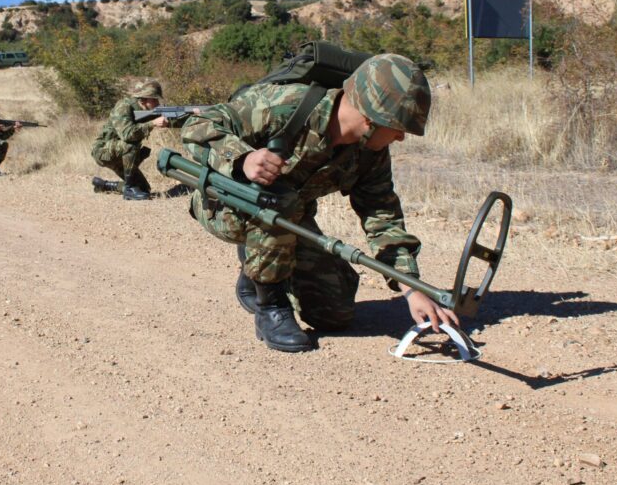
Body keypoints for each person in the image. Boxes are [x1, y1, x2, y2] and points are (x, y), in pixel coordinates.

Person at [179, 53, 457, 353]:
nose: (401, 137)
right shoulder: (285, 105)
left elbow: (382, 215)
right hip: (226, 205)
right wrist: (243, 158)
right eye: (398, 126)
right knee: (279, 199)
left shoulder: (370, 152)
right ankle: (270, 305)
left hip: (288, 219)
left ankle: (256, 267)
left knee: (334, 314)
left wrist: (410, 288)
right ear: (371, 117)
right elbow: (196, 125)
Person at [90, 78, 167, 200]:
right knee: (130, 145)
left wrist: (192, 114)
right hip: (103, 150)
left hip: (120, 153)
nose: (157, 103)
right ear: (145, 98)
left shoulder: (145, 110)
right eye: (155, 99)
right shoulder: (124, 106)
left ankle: (104, 185)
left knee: (144, 189)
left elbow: (169, 117)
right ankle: (130, 189)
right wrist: (152, 123)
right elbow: (127, 134)